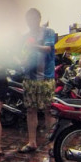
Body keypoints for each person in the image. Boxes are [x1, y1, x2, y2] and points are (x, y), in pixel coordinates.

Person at [19, 8, 56, 153]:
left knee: (48, 110)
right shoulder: (25, 36)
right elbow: (21, 54)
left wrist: (32, 46)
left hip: (46, 77)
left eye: (33, 18)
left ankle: (51, 143)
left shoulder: (48, 32)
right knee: (30, 110)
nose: (30, 22)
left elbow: (47, 49)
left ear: (39, 19)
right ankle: (32, 141)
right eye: (28, 19)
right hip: (29, 77)